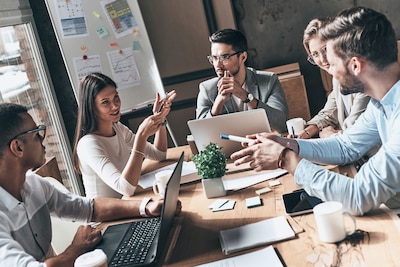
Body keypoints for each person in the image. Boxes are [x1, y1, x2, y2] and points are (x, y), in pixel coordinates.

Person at [231, 6, 400, 216]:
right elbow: (346, 146)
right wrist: (287, 144)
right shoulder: (382, 102)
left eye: (333, 61)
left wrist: (286, 158)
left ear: (355, 65)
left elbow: (358, 197)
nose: (330, 70)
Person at [0, 103, 181, 266]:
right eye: (37, 133)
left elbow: (89, 208)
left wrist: (146, 207)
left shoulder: (34, 184)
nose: (43, 139)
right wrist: (76, 248)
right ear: (18, 147)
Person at [73, 73, 176, 198]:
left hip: (129, 204)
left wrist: (159, 116)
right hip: (109, 215)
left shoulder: (117, 128)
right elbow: (125, 188)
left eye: (116, 97)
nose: (115, 105)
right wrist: (141, 136)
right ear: (92, 107)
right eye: (105, 102)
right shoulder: (88, 144)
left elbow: (158, 154)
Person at [196, 28, 289, 133]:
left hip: (261, 145)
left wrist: (246, 97)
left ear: (243, 57)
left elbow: (282, 124)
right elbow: (201, 133)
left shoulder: (269, 81)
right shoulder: (207, 89)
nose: (218, 64)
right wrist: (219, 103)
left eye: (224, 57)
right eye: (214, 58)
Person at [298, 17, 370, 139]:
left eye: (325, 49)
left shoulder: (363, 77)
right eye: (315, 54)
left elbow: (354, 133)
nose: (322, 59)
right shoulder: (337, 79)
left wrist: (329, 135)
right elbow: (329, 113)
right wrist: (305, 133)